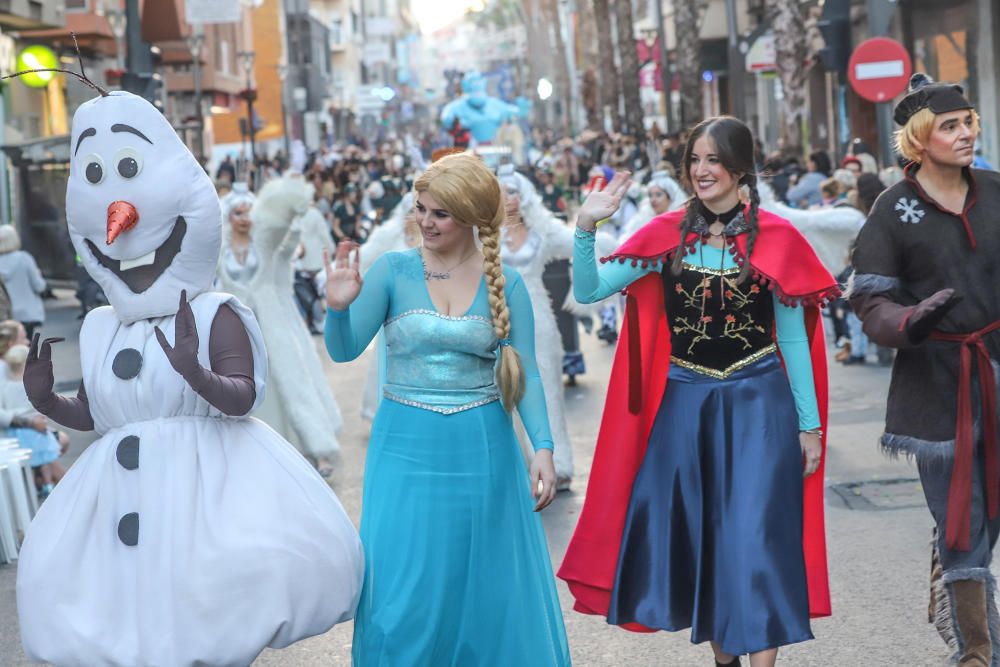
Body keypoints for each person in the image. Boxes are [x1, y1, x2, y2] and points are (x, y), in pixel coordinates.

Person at [17, 89, 362, 667]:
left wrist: (196, 374)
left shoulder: (212, 312)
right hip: (113, 506)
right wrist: (48, 398)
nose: (116, 221)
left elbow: (242, 397)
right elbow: (102, 415)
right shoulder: (103, 326)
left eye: (130, 170)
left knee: (197, 625)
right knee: (117, 622)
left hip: (201, 503)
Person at [559, 117, 836, 667]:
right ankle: (724, 660)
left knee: (753, 536)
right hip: (685, 405)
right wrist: (586, 228)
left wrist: (810, 427)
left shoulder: (776, 237)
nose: (702, 170)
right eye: (694, 160)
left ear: (739, 167)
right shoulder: (664, 234)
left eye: (713, 159)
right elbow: (589, 291)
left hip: (760, 402)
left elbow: (791, 339)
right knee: (705, 537)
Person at [324, 152, 570, 666]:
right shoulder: (393, 270)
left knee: (482, 583)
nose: (425, 222)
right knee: (402, 588)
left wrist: (543, 448)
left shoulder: (508, 283)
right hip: (403, 454)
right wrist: (337, 307)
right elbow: (344, 349)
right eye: (421, 209)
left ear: (472, 215)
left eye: (440, 213)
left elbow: (526, 373)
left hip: (484, 452)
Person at [849, 74, 1000, 666]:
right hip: (936, 386)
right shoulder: (892, 209)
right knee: (963, 519)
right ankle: (976, 650)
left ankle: (950, 570)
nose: (966, 133)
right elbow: (870, 302)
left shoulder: (994, 190)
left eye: (969, 123)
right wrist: (907, 319)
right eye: (951, 125)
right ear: (919, 138)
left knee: (982, 519)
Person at [216, 176, 344, 473]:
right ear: (228, 215)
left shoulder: (265, 241)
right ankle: (255, 455)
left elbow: (285, 244)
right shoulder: (219, 247)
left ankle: (314, 446)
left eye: (249, 211)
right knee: (245, 387)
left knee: (293, 381)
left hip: (273, 323)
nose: (244, 218)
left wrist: (292, 214)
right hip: (237, 328)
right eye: (238, 213)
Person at [2, 344, 64, 499]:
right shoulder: (29, 385)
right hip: (33, 427)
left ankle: (42, 487)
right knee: (48, 458)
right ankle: (56, 486)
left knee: (34, 463)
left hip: (16, 432)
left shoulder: (7, 387)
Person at [0, 226, 46, 338]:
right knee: (26, 348)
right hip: (27, 314)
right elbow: (39, 286)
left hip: (5, 316)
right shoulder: (24, 258)